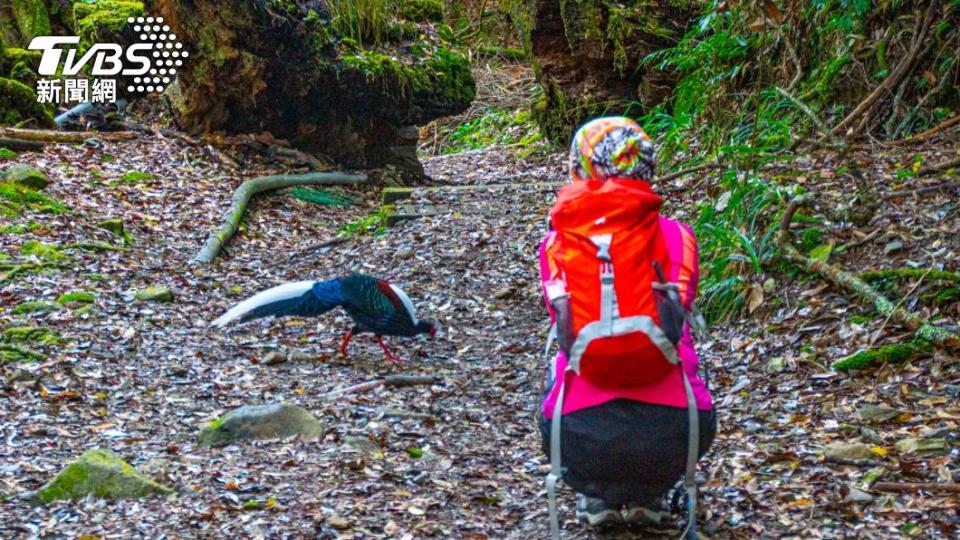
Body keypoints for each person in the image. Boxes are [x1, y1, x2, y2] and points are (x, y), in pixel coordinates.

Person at [537, 116, 716, 531]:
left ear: (580, 168)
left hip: (579, 437)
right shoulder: (679, 236)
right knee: (687, 361)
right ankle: (650, 493)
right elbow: (680, 309)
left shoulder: (556, 245)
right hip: (674, 434)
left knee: (556, 368)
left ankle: (596, 493)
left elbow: (564, 327)